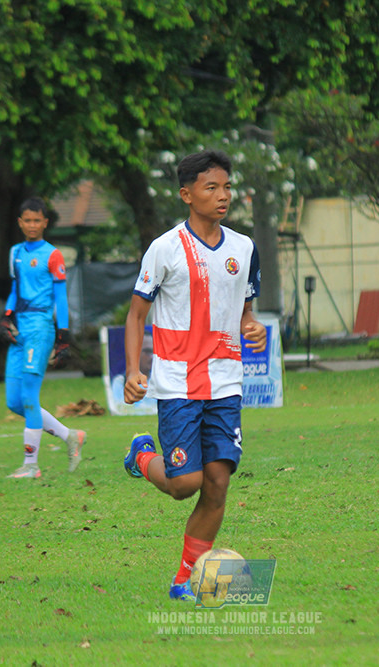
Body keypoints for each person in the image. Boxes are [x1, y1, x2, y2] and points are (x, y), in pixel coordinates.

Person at [122, 150, 266, 601]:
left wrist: (251, 326)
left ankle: (184, 580)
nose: (222, 196)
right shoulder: (164, 249)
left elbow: (245, 311)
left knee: (218, 481)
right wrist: (132, 370)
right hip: (178, 383)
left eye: (226, 187)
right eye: (211, 188)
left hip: (226, 382)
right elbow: (135, 315)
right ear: (187, 195)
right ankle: (143, 456)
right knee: (186, 484)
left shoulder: (243, 249)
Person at [1, 197, 85, 478]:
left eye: (38, 220)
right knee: (14, 401)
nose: (33, 225)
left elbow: (60, 297)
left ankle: (30, 466)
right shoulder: (15, 252)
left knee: (28, 397)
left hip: (40, 328)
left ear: (45, 223)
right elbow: (15, 288)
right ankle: (70, 435)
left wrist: (63, 335)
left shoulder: (53, 254)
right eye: (28, 220)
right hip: (19, 331)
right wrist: (7, 314)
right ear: (20, 223)